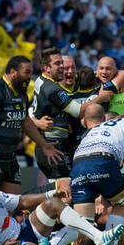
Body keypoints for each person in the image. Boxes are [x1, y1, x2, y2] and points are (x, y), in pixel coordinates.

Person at [67, 104, 124, 245]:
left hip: (78, 163)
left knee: (82, 224)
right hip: (103, 161)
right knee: (122, 200)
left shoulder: (96, 130)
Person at [0, 55, 63, 195]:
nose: (29, 77)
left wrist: (43, 144)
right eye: (26, 72)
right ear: (13, 72)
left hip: (10, 157)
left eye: (31, 73)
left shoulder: (22, 94)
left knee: (13, 203)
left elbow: (25, 121)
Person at [31, 48, 118, 179]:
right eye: (60, 65)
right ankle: (27, 199)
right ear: (47, 68)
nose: (67, 71)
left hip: (66, 144)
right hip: (54, 143)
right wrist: (99, 98)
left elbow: (122, 74)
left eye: (71, 67)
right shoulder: (54, 89)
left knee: (64, 189)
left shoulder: (43, 80)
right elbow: (78, 112)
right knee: (64, 189)